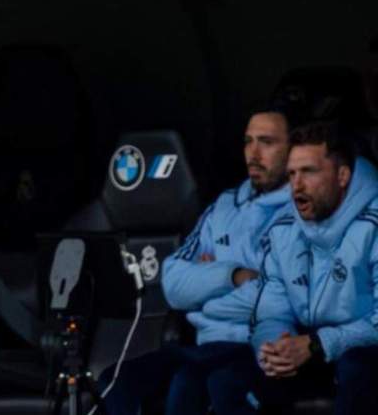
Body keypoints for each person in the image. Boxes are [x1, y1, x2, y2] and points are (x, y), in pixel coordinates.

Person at [96, 106, 296, 414]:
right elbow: (173, 283)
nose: (253, 153)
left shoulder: (300, 209)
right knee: (116, 379)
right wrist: (233, 275)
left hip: (256, 347)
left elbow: (278, 297)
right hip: (205, 345)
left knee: (191, 386)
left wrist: (204, 288)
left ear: (292, 149)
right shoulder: (224, 205)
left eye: (266, 142)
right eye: (248, 141)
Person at [206, 120, 378, 414]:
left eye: (309, 172)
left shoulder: (373, 225)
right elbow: (271, 313)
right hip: (312, 352)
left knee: (357, 368)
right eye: (292, 174)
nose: (296, 185)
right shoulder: (283, 232)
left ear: (343, 175)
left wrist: (317, 344)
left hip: (360, 352)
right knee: (226, 381)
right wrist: (276, 348)